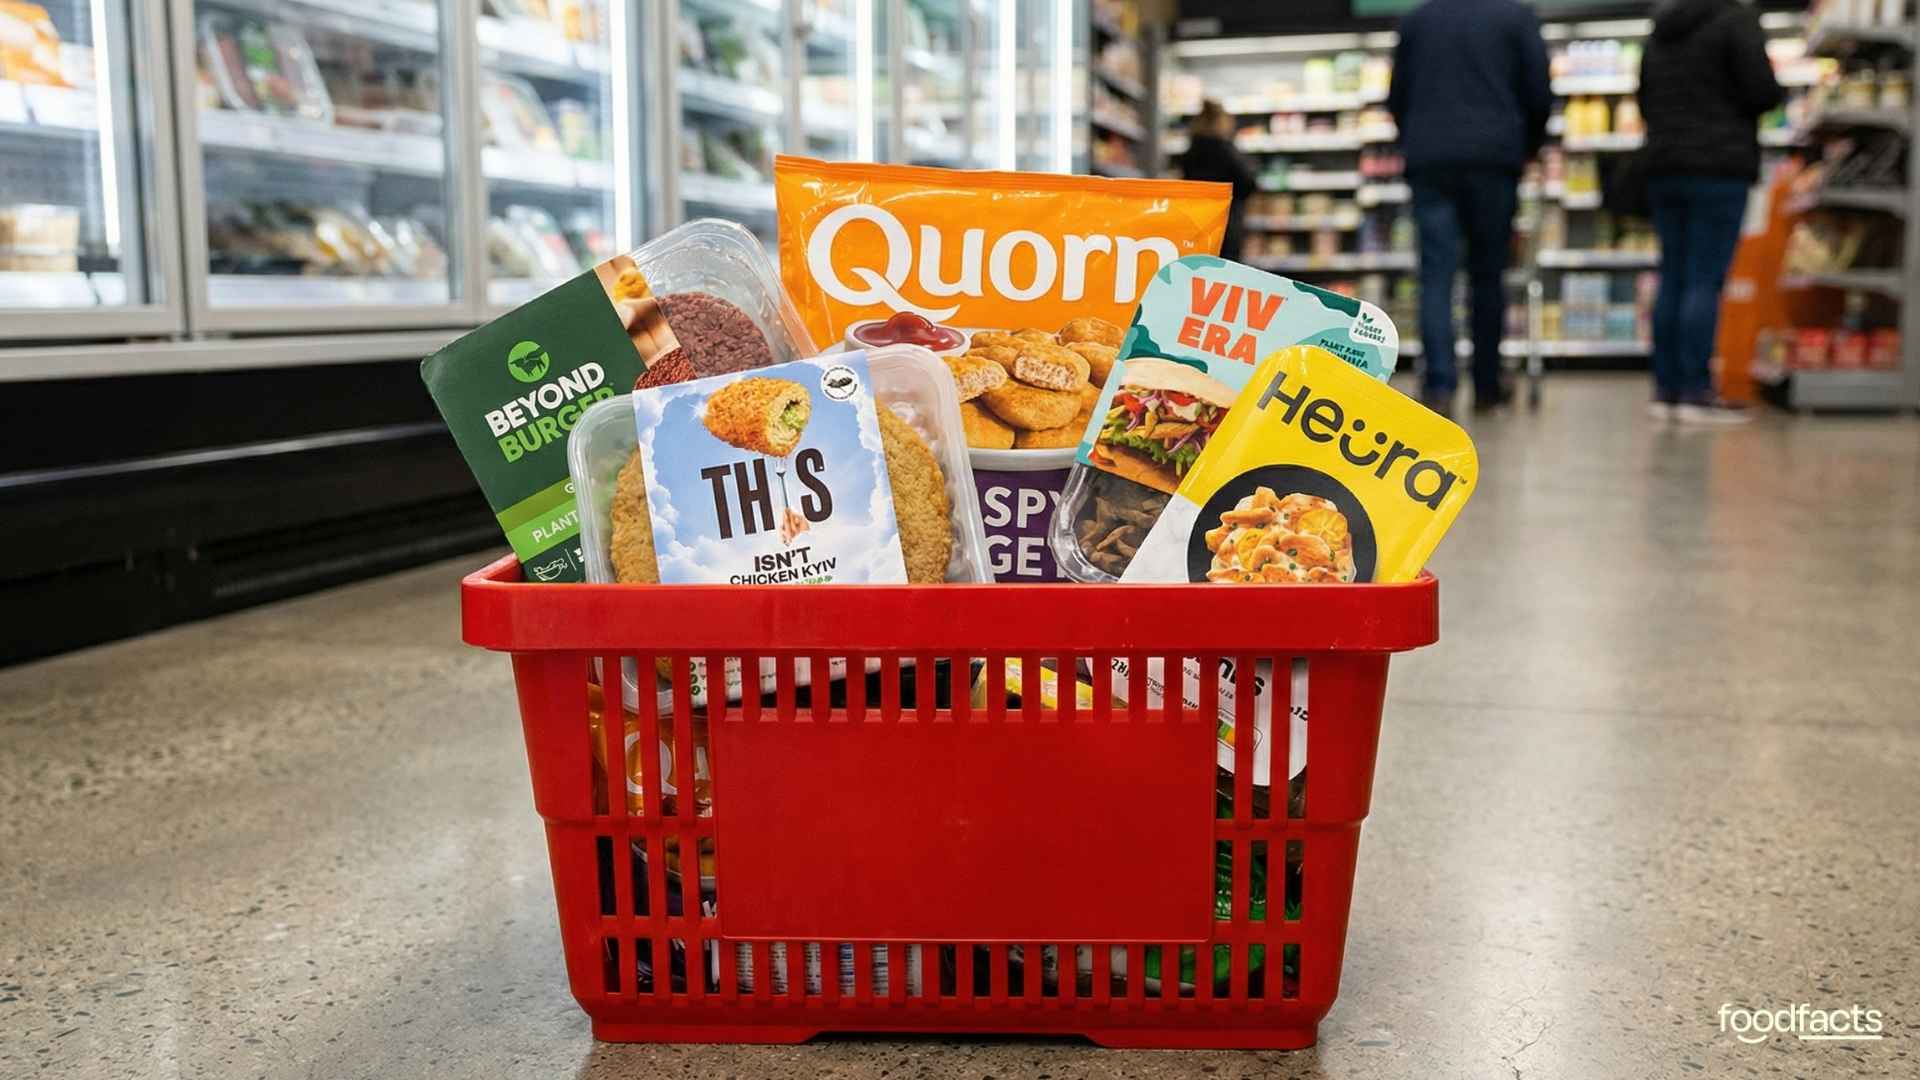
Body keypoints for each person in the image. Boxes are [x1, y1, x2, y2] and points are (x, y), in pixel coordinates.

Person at [1388, 0, 1552, 417]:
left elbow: (1397, 96)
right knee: (1487, 276)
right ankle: (1486, 386)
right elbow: (1538, 93)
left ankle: (1439, 387)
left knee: (1436, 276)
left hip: (1431, 161)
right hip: (1494, 159)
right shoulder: (1515, 17)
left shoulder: (1418, 20)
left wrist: (1419, 140)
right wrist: (1526, 145)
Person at [1638, 0, 1783, 424]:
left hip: (1664, 167)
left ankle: (1665, 390)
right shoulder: (1735, 20)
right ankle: (1695, 390)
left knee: (1673, 275)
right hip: (1719, 167)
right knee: (1704, 278)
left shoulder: (1660, 27)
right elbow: (1762, 91)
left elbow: (1644, 97)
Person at [1179, 101, 1258, 262]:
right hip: (1226, 221)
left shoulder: (1192, 150)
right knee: (1226, 269)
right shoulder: (1225, 149)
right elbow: (1248, 183)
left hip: (1197, 221)